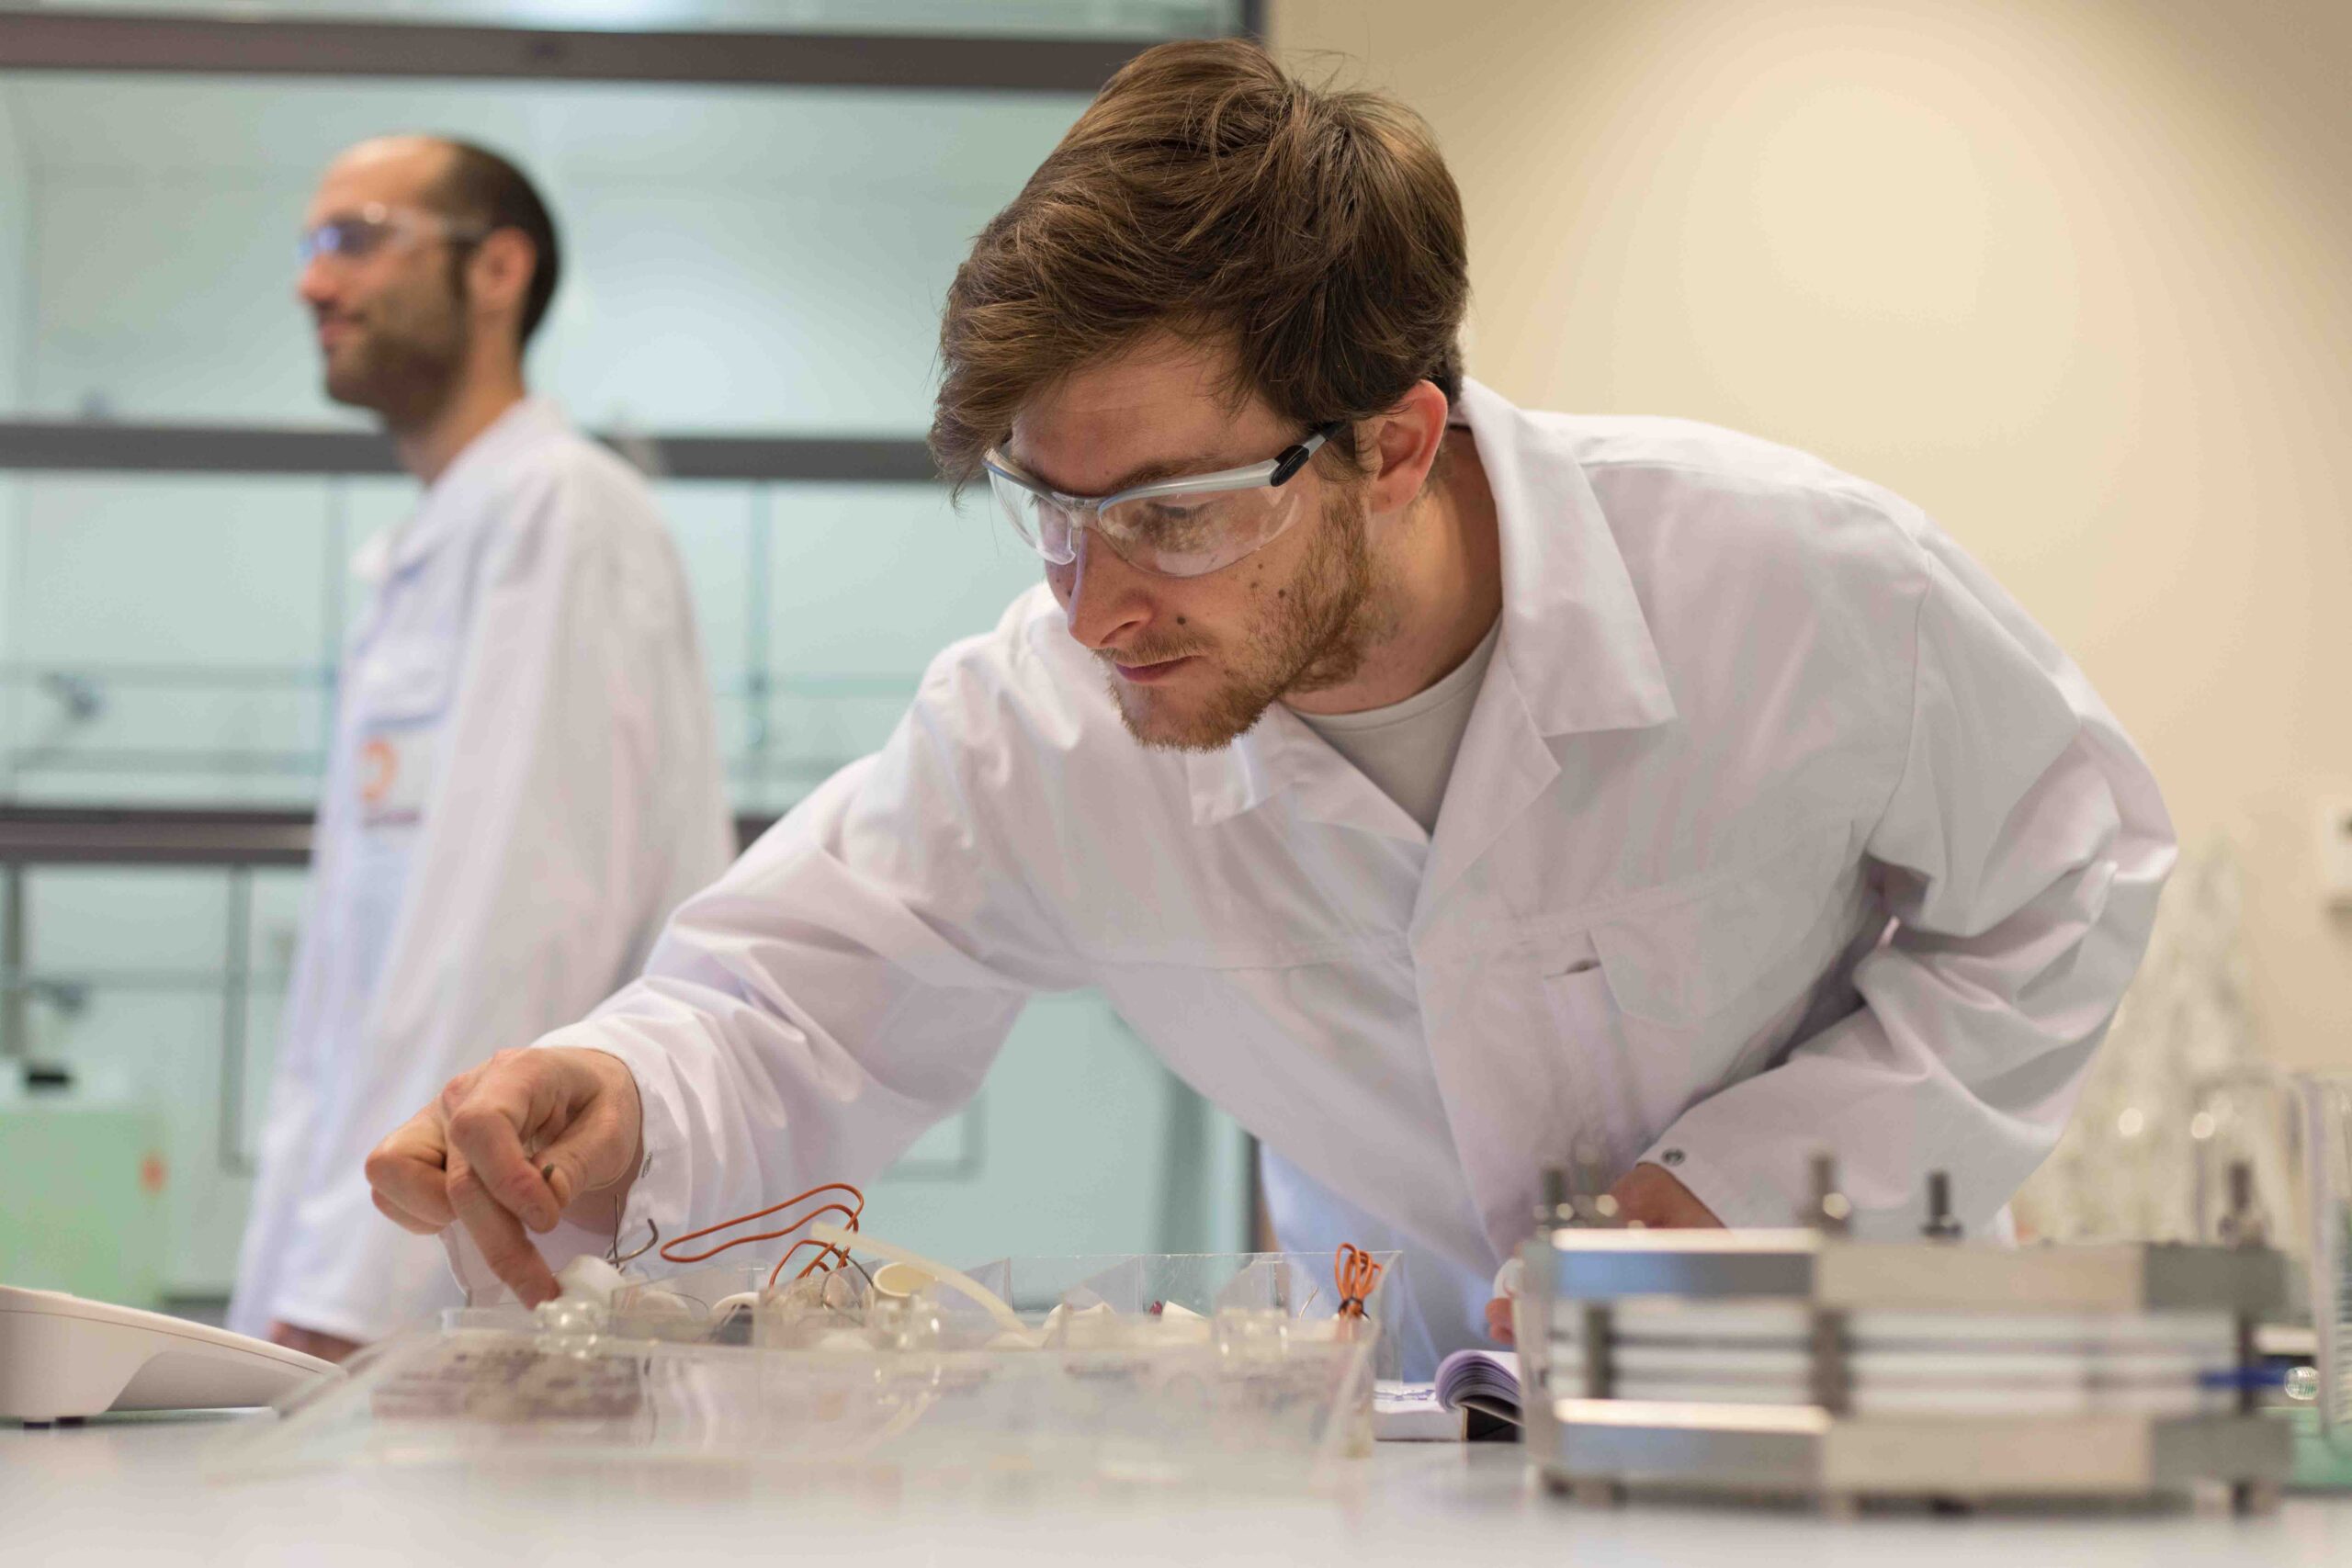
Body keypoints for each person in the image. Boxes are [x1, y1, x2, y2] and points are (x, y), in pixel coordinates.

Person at [365, 45, 2173, 1378]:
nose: (1093, 603)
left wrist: (1747, 1187)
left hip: (1837, 1401)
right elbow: (786, 1006)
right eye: (1046, 513)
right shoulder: (1040, 714)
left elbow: (2068, 877)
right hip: (1404, 1442)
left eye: (1169, 512)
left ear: (1393, 437)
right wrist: (613, 1087)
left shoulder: (1788, 585)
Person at [228, 137, 732, 1359]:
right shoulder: (438, 545)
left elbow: (515, 925)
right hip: (400, 1254)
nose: (312, 281)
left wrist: (355, 1292)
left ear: (497, 267)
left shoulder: (561, 510)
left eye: (355, 237)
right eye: (309, 246)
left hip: (476, 1275)